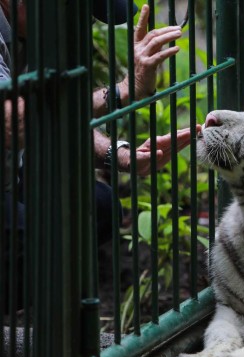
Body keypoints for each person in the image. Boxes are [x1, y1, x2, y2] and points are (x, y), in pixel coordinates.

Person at [1, 0, 198, 245]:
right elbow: (13, 120)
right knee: (38, 239)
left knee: (98, 207)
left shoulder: (37, 30)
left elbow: (53, 115)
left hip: (11, 170)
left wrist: (119, 154)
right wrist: (124, 90)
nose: (77, 26)